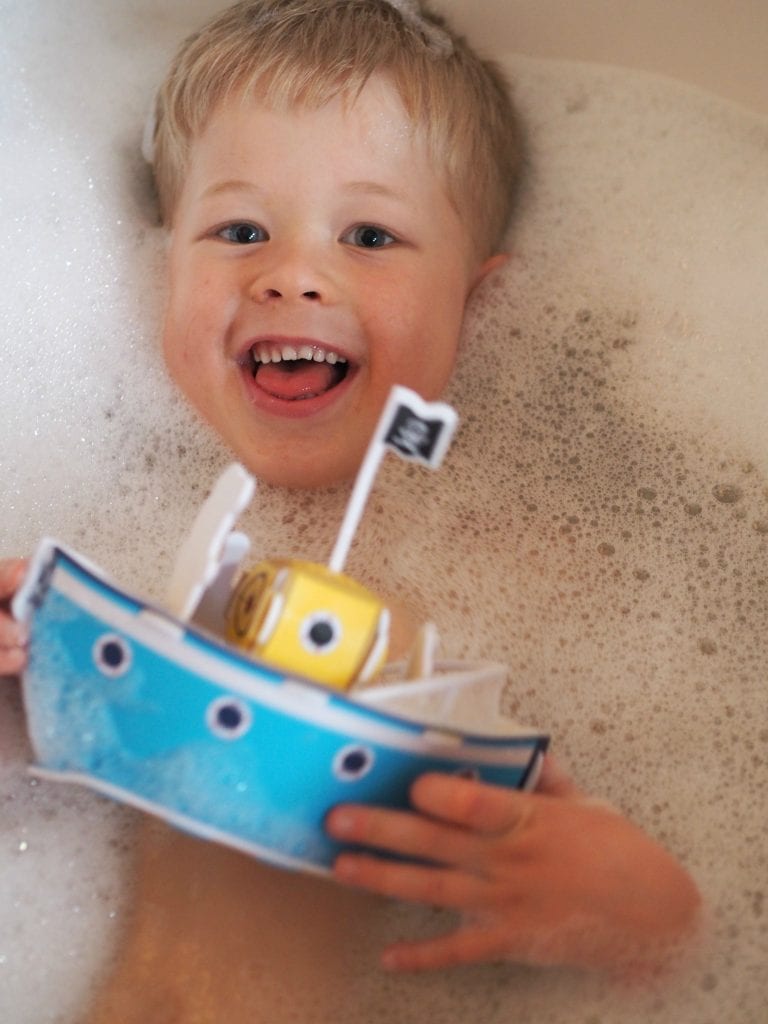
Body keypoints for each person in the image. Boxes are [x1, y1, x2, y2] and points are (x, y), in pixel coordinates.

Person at [0, 0, 700, 1006]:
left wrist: (648, 912)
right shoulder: (98, 523)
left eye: (370, 234)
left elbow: (686, 838)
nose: (292, 274)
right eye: (239, 229)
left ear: (482, 306)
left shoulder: (556, 564)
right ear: (163, 266)